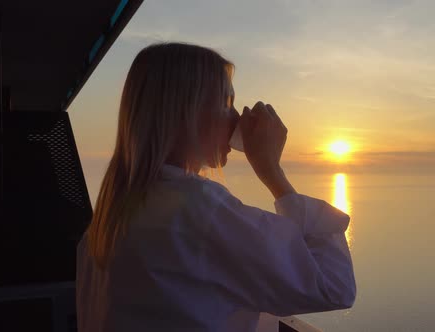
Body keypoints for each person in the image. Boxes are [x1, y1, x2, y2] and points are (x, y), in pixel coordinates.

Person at [76, 42, 356, 332]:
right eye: (226, 103)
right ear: (184, 111)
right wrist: (273, 172)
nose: (237, 119)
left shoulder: (107, 221)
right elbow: (333, 286)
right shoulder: (200, 214)